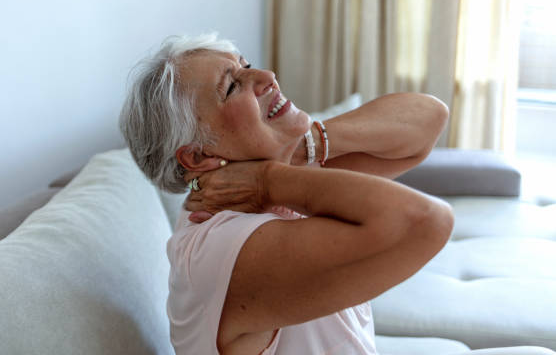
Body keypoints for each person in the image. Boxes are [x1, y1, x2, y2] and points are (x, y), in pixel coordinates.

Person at [119, 33, 454, 355]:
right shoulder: (216, 248)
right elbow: (425, 221)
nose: (267, 76)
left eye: (246, 65)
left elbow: (428, 121)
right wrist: (268, 179)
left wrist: (308, 145)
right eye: (233, 86)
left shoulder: (286, 177)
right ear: (198, 157)